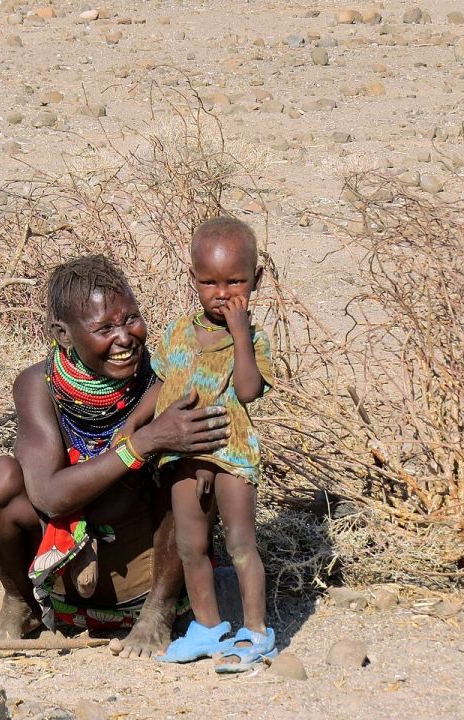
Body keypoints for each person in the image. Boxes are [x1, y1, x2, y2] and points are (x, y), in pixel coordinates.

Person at [0, 255, 230, 658]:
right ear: (62, 334)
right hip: (66, 573)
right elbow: (49, 497)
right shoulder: (38, 386)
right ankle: (23, 605)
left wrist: (163, 442)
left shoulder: (164, 376)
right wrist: (143, 443)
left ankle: (158, 614)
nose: (124, 338)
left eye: (130, 319)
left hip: (143, 570)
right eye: (104, 328)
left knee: (192, 465)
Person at [151, 216, 277, 671]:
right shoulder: (175, 334)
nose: (222, 293)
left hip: (232, 453)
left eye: (235, 281)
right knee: (191, 546)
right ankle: (207, 627)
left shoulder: (254, 339)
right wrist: (132, 435)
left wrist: (241, 333)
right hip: (184, 456)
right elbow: (159, 389)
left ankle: (256, 632)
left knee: (241, 543)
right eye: (209, 282)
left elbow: (247, 390)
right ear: (192, 278)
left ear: (256, 280)